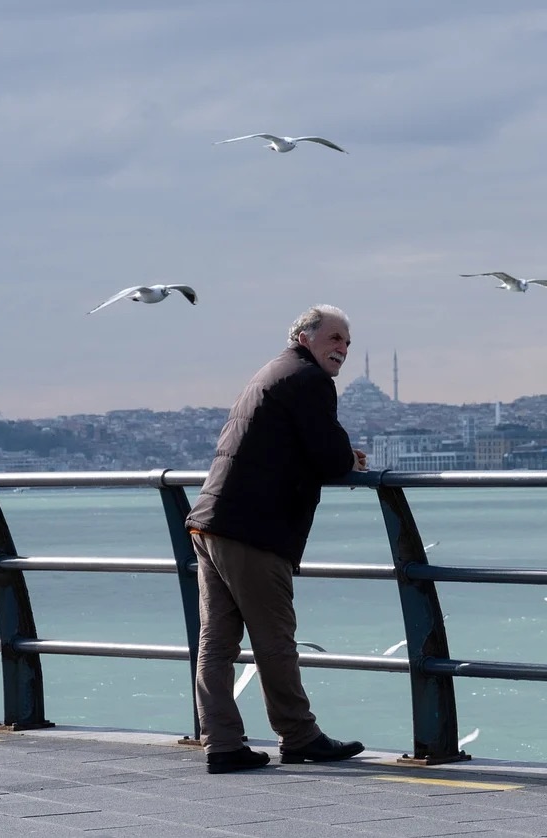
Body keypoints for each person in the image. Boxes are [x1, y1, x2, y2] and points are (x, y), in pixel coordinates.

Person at [185, 304, 369, 774]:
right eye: (334, 338)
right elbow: (329, 457)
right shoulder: (309, 381)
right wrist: (349, 457)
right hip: (253, 527)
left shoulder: (270, 372)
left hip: (211, 519)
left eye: (347, 342)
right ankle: (299, 734)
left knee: (217, 642)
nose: (343, 349)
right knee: (274, 638)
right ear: (305, 337)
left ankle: (222, 743)